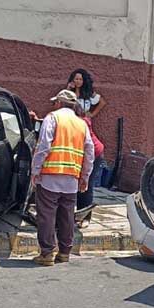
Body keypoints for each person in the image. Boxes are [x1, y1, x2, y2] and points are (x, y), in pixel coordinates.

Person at [31, 89, 95, 266]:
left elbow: (43, 146)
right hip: (72, 178)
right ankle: (64, 252)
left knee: (46, 215)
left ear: (59, 103)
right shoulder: (82, 124)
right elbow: (89, 154)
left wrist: (35, 170)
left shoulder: (53, 118)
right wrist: (85, 177)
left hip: (50, 176)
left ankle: (47, 253)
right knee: (67, 215)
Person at [74, 103, 105, 226]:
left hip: (93, 154)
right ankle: (78, 215)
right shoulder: (76, 121)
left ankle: (85, 218)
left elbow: (89, 149)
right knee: (78, 185)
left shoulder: (82, 123)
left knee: (86, 185)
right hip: (84, 154)